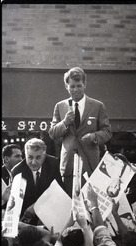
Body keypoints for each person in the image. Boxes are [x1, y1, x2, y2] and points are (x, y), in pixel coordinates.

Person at [49, 67, 112, 196]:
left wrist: (94, 136)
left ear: (85, 85)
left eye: (79, 86)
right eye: (72, 86)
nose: (75, 90)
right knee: (68, 204)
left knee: (89, 203)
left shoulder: (97, 106)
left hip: (89, 163)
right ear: (66, 86)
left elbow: (107, 132)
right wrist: (65, 122)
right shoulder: (60, 106)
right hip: (68, 165)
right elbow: (53, 134)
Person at [11, 138, 64, 224]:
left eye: (38, 157)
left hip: (51, 213)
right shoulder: (16, 172)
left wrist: (36, 206)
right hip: (26, 219)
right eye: (30, 157)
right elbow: (16, 203)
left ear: (44, 155)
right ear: (25, 154)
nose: (34, 162)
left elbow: (59, 192)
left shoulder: (54, 164)